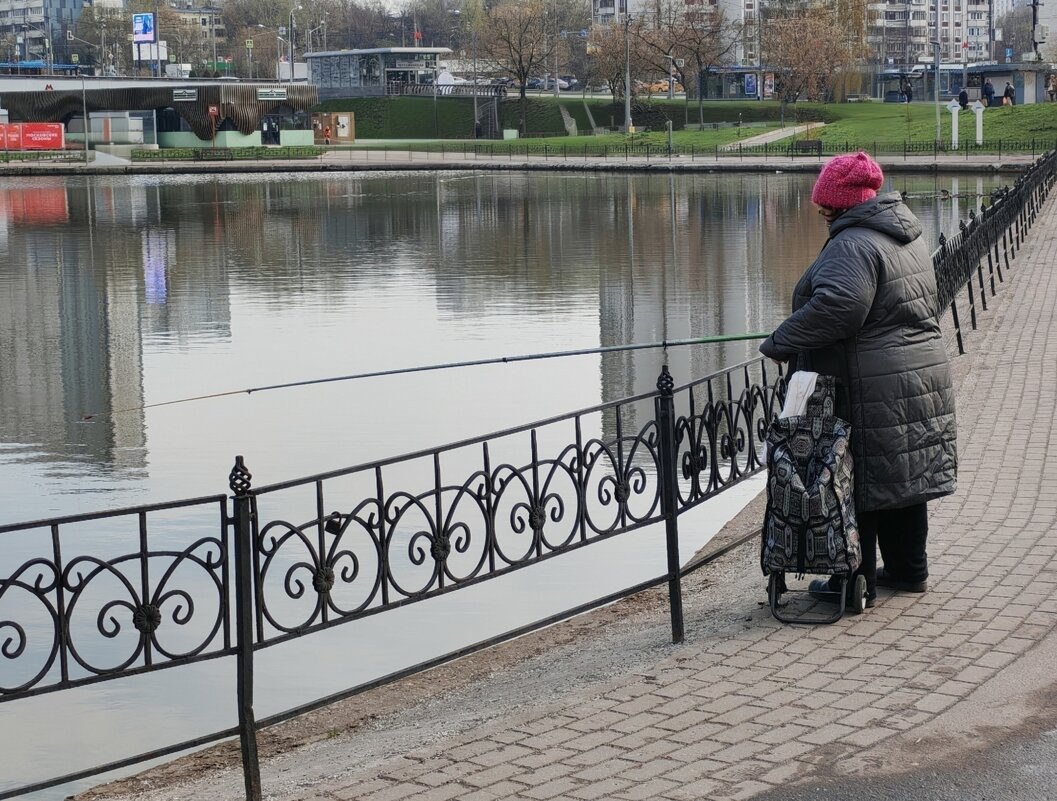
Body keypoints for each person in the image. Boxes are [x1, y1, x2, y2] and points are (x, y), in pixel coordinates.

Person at [759, 152, 958, 607]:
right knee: (902, 477)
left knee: (860, 477)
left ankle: (852, 583)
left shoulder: (852, 243)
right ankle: (909, 572)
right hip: (914, 374)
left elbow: (839, 308)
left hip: (871, 382)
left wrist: (780, 341)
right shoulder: (903, 234)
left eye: (823, 203)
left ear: (839, 202)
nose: (819, 211)